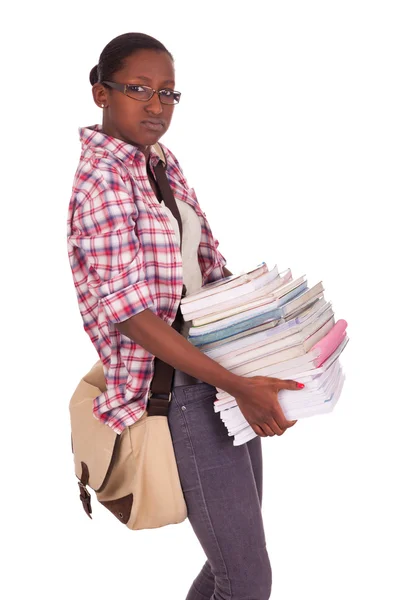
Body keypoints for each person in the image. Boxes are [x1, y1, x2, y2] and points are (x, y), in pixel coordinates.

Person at [67, 32, 303, 600]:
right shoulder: (103, 181)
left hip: (218, 374)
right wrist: (236, 385)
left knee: (235, 565)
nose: (157, 106)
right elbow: (132, 317)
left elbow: (200, 271)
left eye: (169, 93)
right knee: (245, 580)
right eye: (139, 90)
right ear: (101, 92)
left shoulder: (158, 162)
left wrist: (270, 329)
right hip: (183, 392)